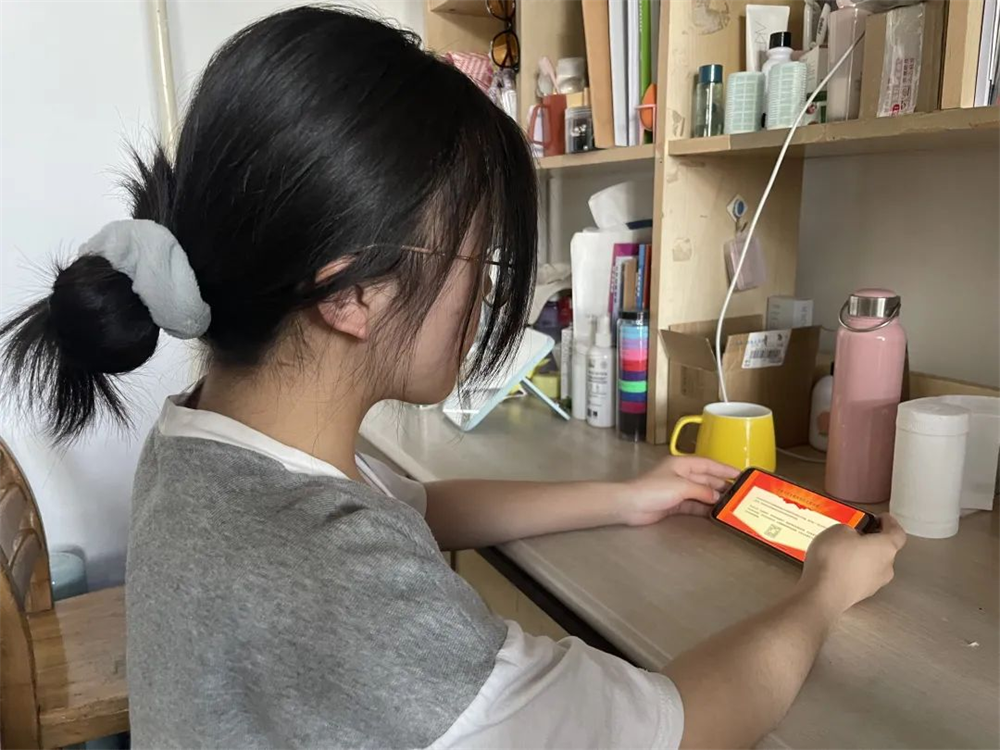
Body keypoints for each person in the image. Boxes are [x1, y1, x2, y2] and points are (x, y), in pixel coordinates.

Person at [0, 7, 906, 749]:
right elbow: (682, 725)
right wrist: (822, 591)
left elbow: (413, 509)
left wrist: (624, 497)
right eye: (476, 257)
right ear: (352, 292)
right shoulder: (347, 587)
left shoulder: (206, 443)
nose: (483, 291)